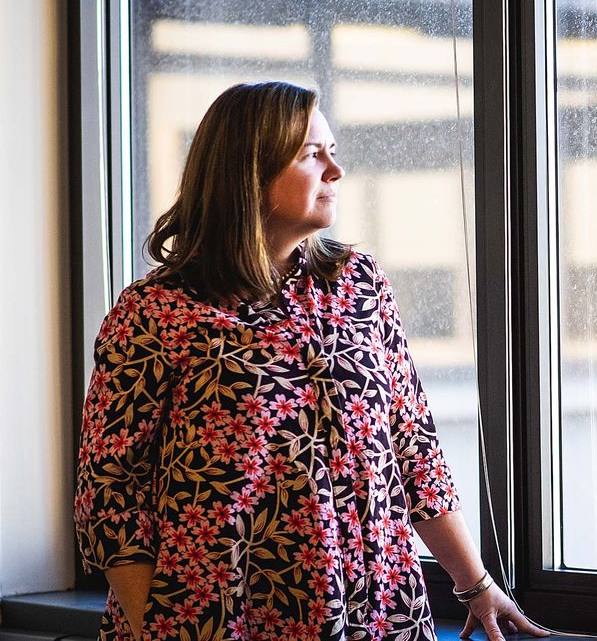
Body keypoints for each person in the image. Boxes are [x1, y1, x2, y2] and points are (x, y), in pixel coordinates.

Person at [74, 81, 548, 641]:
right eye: (310, 154)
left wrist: (475, 584)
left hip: (375, 609)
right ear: (246, 174)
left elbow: (412, 444)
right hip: (217, 618)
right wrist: (158, 628)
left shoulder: (359, 281)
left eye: (332, 150)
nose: (336, 171)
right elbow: (109, 490)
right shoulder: (154, 312)